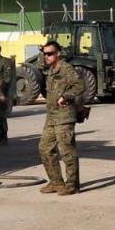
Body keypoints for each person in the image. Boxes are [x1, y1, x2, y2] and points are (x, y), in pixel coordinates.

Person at [37, 40, 86, 196]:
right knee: (44, 148)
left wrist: (66, 96)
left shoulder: (66, 69)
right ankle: (56, 182)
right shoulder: (51, 70)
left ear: (58, 53)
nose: (47, 56)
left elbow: (80, 85)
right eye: (45, 54)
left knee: (66, 151)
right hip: (51, 116)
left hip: (64, 116)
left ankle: (72, 184)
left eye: (50, 53)